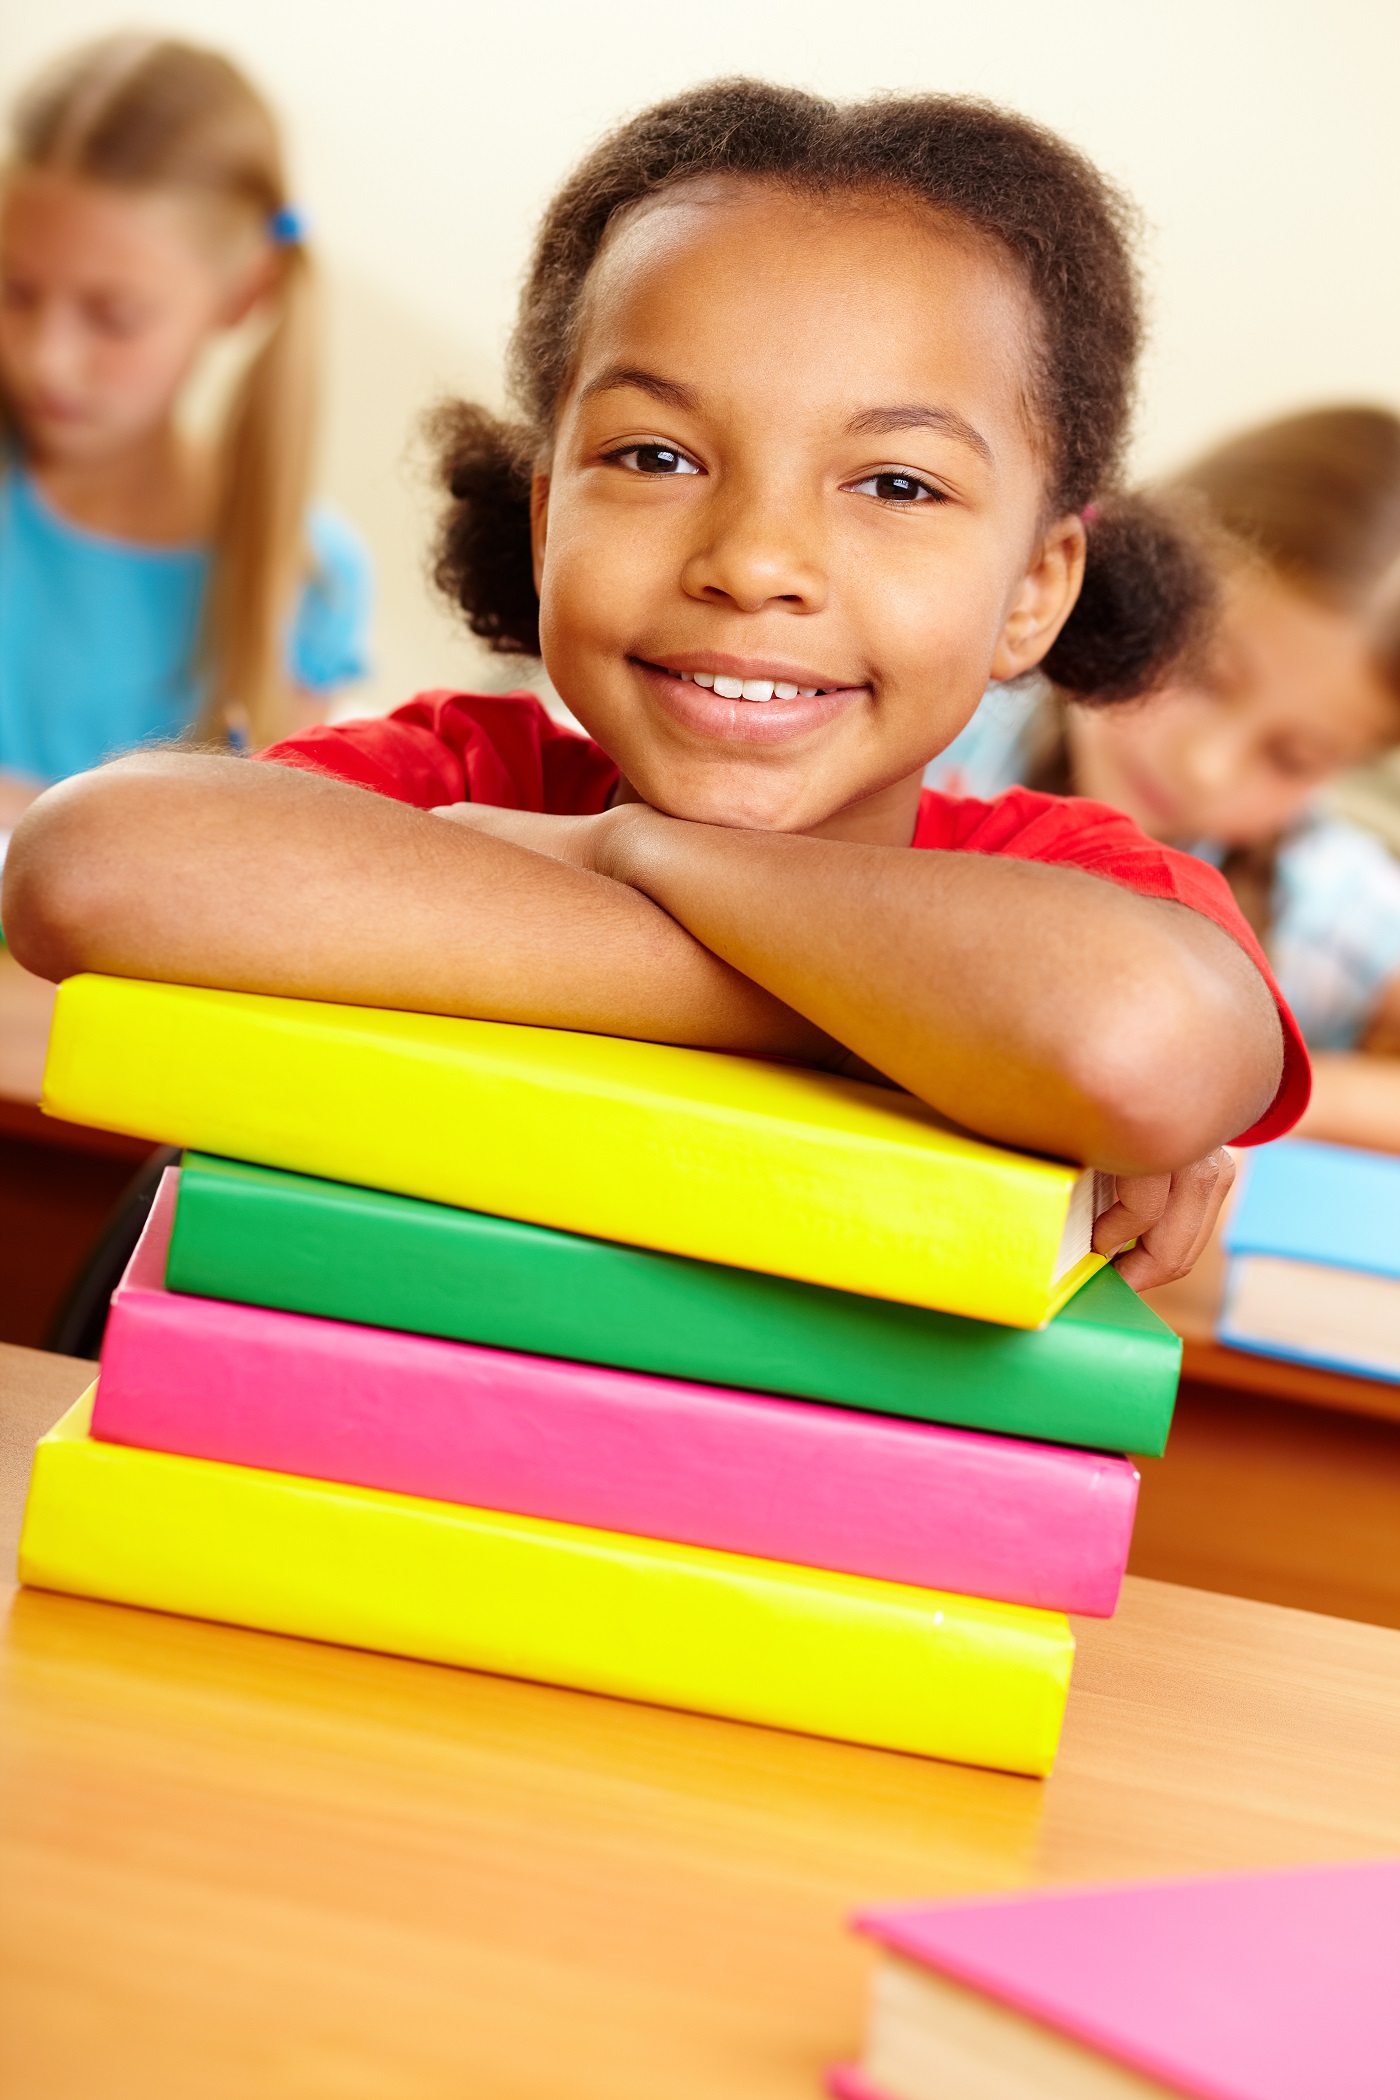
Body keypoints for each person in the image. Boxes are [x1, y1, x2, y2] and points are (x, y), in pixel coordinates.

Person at [4, 82, 1307, 1291]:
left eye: (896, 485)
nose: (751, 563)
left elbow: (1137, 1048)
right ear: (546, 515)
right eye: (654, 455)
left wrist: (625, 851)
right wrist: (939, 1032)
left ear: (1034, 587)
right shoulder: (462, 775)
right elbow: (87, 868)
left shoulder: (1073, 880)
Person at [930, 406, 1400, 1149]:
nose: (1207, 764)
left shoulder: (1329, 906)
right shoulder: (940, 723)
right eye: (1202, 673)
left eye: (1293, 758)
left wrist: (1236, 1096)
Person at [0, 33, 370, 850]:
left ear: (244, 295)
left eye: (113, 317)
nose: (45, 358)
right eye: (15, 292)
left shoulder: (308, 586)